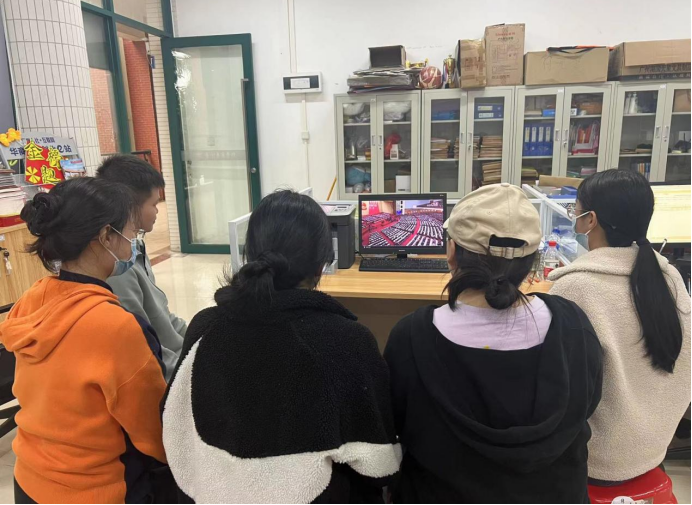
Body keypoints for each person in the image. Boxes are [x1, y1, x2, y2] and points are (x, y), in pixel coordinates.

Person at [162, 190, 401, 504]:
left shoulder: (205, 327)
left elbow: (174, 426)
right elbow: (379, 466)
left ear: (250, 255)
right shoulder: (349, 340)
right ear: (321, 265)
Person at [384, 184, 603, 504]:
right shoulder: (573, 326)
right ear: (531, 261)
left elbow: (395, 425)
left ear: (452, 253)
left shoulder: (410, 337)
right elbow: (589, 402)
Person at [0, 178, 168, 504]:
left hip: (29, 480)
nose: (133, 242)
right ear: (106, 236)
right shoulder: (118, 328)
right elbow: (153, 434)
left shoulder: (32, 299)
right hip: (97, 489)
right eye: (131, 233)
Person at [549, 169, 691, 485]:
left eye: (575, 210)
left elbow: (556, 390)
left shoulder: (575, 286)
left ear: (590, 220)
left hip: (598, 461)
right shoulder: (669, 277)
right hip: (653, 448)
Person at [97, 155, 187, 380]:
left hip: (176, 360)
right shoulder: (117, 267)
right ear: (129, 206)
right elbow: (142, 347)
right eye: (154, 204)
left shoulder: (134, 248)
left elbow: (163, 316)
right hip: (164, 374)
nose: (158, 211)